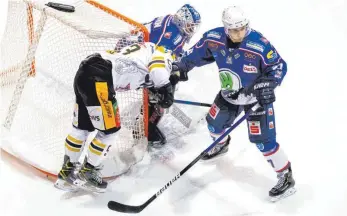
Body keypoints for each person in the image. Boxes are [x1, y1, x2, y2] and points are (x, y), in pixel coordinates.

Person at [173, 6, 295, 201]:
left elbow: (278, 66)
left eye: (243, 28)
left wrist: (268, 85)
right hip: (229, 94)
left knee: (263, 142)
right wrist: (178, 68)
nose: (240, 33)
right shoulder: (213, 38)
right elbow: (191, 57)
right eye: (234, 30)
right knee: (214, 124)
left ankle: (285, 176)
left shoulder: (259, 44)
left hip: (255, 100)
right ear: (226, 28)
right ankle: (221, 145)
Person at [54, 42, 176, 193]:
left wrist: (157, 90)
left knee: (81, 128)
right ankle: (88, 172)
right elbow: (158, 71)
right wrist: (167, 89)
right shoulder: (165, 54)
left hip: (85, 72)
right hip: (101, 79)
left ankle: (66, 173)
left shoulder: (145, 50)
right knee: (110, 131)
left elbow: (139, 72)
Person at [117, 4, 201, 147]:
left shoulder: (172, 23)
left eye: (193, 26)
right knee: (160, 95)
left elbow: (164, 52)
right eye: (190, 26)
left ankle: (146, 120)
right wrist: (166, 79)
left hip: (134, 54)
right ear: (182, 20)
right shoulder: (171, 34)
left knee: (164, 85)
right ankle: (145, 130)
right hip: (129, 61)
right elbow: (156, 60)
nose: (192, 30)